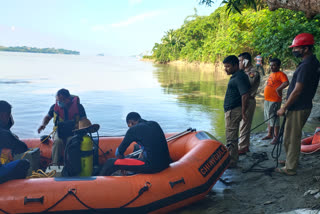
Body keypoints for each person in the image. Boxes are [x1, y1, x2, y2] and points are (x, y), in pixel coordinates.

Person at [276, 33, 320, 176]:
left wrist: (284, 107)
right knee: (291, 135)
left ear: (306, 49)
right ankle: (291, 160)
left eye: (297, 48)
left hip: (298, 107)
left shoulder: (306, 66)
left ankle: (290, 168)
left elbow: (297, 90)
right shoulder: (313, 62)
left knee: (292, 137)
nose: (294, 50)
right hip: (303, 105)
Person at [99, 112, 171, 176]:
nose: (129, 127)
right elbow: (151, 143)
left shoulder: (132, 130)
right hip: (166, 163)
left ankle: (98, 182)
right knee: (137, 147)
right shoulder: (154, 124)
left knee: (110, 162)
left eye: (129, 125)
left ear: (131, 123)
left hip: (152, 166)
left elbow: (119, 153)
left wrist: (122, 163)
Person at [37, 89, 88, 165]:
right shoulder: (54, 107)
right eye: (58, 100)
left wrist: (81, 127)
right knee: (57, 141)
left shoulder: (78, 107)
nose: (59, 102)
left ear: (68, 99)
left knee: (71, 141)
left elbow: (84, 120)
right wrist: (43, 125)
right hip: (59, 131)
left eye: (62, 100)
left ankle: (70, 165)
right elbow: (47, 117)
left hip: (73, 131)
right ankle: (55, 164)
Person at [223, 55, 250, 168]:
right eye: (224, 66)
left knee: (231, 136)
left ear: (235, 65)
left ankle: (232, 161)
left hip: (234, 111)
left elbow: (245, 95)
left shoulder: (239, 77)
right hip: (233, 109)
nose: (226, 69)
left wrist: (243, 112)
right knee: (232, 135)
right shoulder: (237, 75)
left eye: (228, 66)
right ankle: (233, 158)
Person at [0, 100, 30, 184]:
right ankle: (16, 191)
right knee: (24, 164)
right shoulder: (3, 134)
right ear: (3, 115)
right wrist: (9, 128)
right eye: (9, 115)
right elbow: (22, 148)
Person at [238, 52, 261, 155]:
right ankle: (244, 145)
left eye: (240, 61)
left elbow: (247, 84)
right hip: (243, 100)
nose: (239, 63)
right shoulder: (242, 72)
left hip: (249, 100)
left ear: (246, 61)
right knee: (241, 124)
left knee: (245, 124)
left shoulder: (253, 72)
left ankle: (243, 147)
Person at [262, 58, 289, 145]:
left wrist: (278, 89)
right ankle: (269, 134)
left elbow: (286, 83)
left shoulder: (281, 74)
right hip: (267, 99)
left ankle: (276, 137)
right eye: (270, 65)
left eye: (273, 65)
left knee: (274, 118)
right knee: (268, 117)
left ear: (278, 66)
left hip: (275, 100)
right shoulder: (272, 74)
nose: (271, 67)